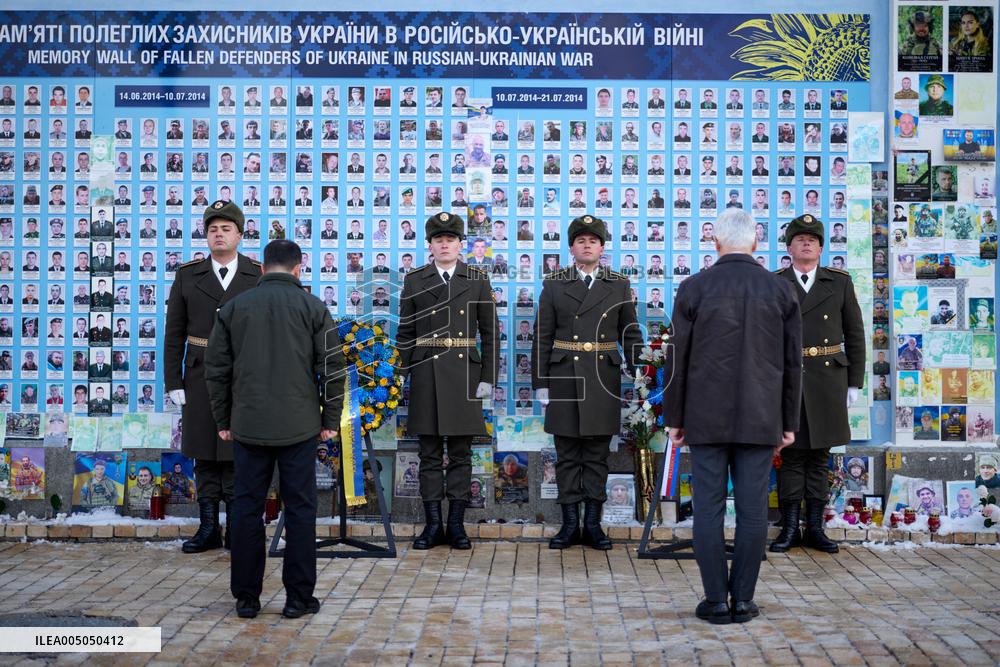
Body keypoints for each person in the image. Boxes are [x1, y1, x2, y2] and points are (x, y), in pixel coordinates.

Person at [664, 208, 802, 624]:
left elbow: (677, 358)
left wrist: (674, 417)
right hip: (761, 416)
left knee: (706, 509)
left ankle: (715, 601)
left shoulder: (694, 287)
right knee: (753, 510)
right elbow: (793, 363)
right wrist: (789, 422)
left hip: (705, 417)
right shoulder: (780, 290)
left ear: (715, 241)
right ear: (756, 242)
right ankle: (743, 600)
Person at [205, 239, 345, 620]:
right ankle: (298, 598)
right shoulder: (313, 308)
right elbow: (332, 369)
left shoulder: (234, 308)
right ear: (299, 269)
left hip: (248, 427)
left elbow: (216, 370)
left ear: (262, 268)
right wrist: (331, 421)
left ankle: (246, 598)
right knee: (300, 511)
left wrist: (223, 420)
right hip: (299, 428)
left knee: (246, 509)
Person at [531, 215, 642, 551]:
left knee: (596, 456)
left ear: (602, 247)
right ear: (572, 248)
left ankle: (593, 525)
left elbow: (630, 332)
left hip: (602, 378)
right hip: (564, 377)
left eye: (593, 241)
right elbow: (542, 336)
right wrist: (541, 383)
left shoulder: (618, 284)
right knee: (566, 455)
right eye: (581, 241)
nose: (587, 246)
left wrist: (641, 375)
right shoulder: (555, 283)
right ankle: (569, 526)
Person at [164, 201, 262, 554]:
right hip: (200, 374)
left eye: (226, 229)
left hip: (243, 374)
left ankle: (236, 528)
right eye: (212, 230)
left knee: (238, 450)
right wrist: (173, 381)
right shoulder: (188, 275)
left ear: (240, 234)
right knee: (203, 451)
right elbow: (174, 333)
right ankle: (208, 528)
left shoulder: (257, 274)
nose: (219, 235)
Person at [397, 213, 499, 550]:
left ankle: (456, 526)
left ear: (460, 244)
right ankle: (432, 526)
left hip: (464, 374)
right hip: (426, 372)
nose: (444, 244)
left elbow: (490, 334)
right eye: (438, 239)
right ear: (429, 244)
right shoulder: (415, 280)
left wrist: (488, 378)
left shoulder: (477, 279)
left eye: (450, 239)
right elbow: (406, 334)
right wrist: (399, 376)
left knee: (460, 453)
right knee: (427, 453)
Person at [770, 215, 865, 555]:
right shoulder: (776, 283)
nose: (807, 244)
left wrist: (854, 383)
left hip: (828, 380)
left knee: (820, 456)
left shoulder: (839, 282)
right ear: (789, 248)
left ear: (822, 248)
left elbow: (855, 333)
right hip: (789, 378)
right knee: (791, 455)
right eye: (800, 239)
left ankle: (815, 528)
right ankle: (788, 528)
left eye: (812, 239)